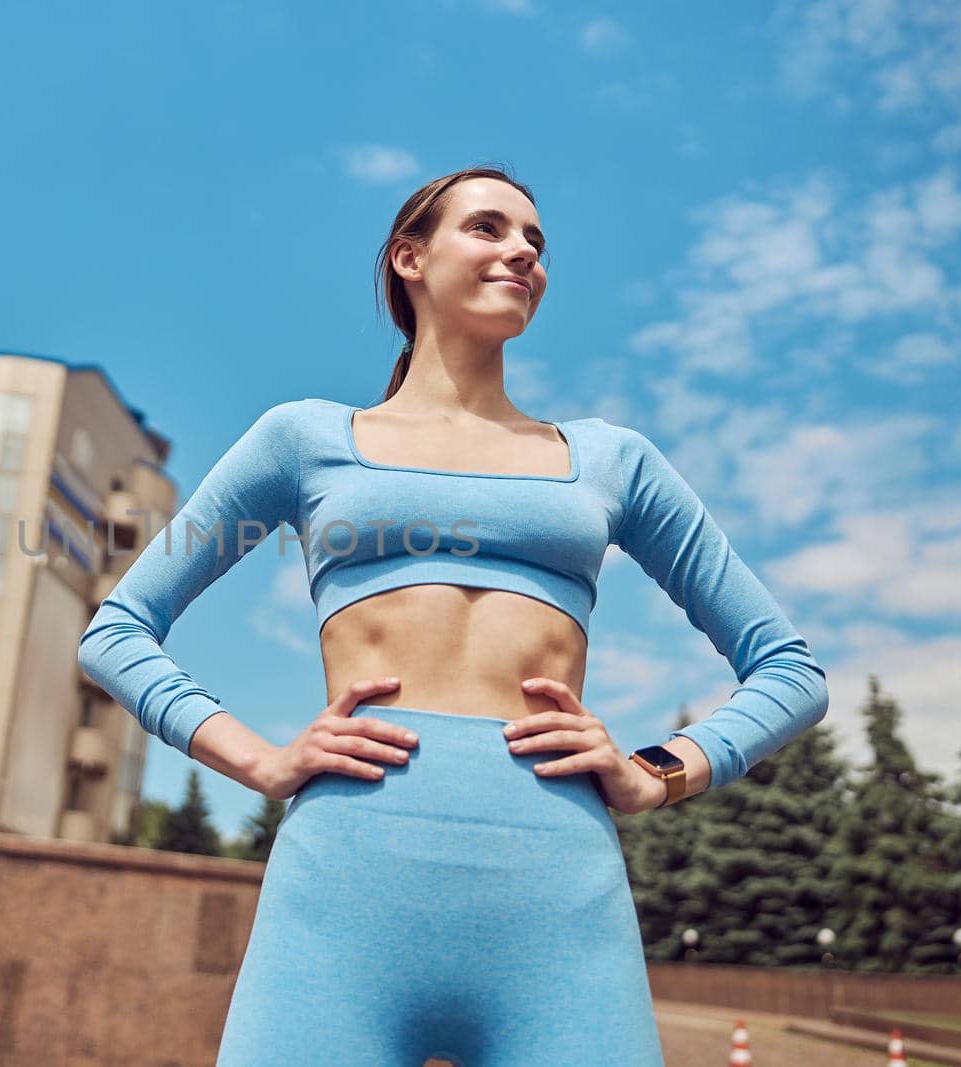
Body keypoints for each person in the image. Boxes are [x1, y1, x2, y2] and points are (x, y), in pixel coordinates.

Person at [78, 164, 829, 1066]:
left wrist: (656, 771)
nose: (522, 251)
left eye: (536, 242)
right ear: (409, 257)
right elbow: (116, 631)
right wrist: (262, 760)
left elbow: (790, 669)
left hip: (559, 908)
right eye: (489, 228)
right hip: (341, 898)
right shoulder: (305, 439)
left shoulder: (611, 461)